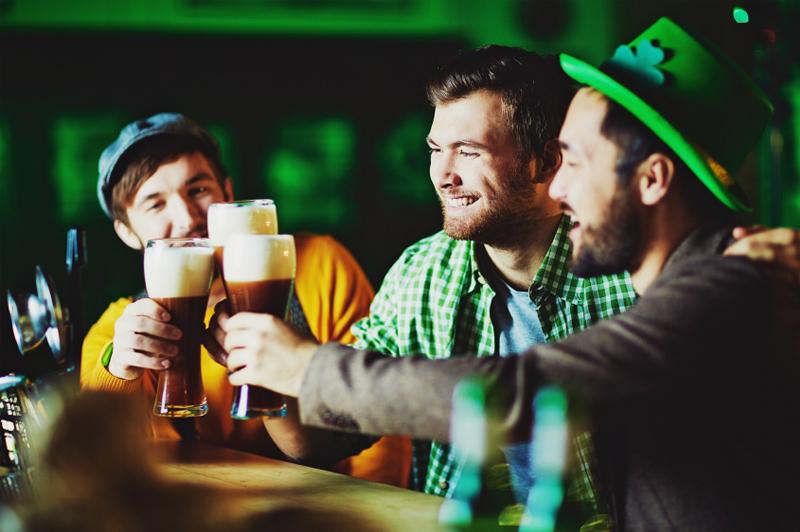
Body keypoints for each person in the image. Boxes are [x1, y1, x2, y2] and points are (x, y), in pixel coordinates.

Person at [216, 18, 800, 529]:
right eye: (434, 148)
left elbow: (526, 394)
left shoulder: (725, 289)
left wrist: (306, 364)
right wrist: (269, 365)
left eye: (574, 161)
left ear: (651, 180)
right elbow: (319, 437)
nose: (561, 185)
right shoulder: (428, 268)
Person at [80, 113, 411, 487]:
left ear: (227, 193)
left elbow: (382, 421)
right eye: (155, 204)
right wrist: (120, 369)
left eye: (198, 190)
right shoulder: (120, 328)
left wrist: (377, 510)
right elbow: (101, 453)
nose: (187, 216)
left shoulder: (321, 265)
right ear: (126, 231)